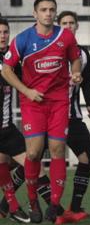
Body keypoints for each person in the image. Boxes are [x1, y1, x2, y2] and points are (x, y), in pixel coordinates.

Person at [1, 0, 82, 223]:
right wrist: (27, 91)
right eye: (43, 9)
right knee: (34, 153)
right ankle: (33, 202)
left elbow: (75, 59)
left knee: (57, 149)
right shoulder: (23, 40)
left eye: (51, 9)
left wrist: (76, 72)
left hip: (58, 102)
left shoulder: (65, 36)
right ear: (35, 14)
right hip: (33, 104)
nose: (48, 13)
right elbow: (6, 70)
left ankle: (54, 205)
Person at [56, 11, 90, 222]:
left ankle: (74, 207)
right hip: (48, 118)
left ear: (77, 26)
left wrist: (89, 104)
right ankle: (7, 204)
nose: (69, 26)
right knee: (29, 159)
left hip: (73, 117)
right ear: (59, 26)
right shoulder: (50, 50)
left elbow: (87, 80)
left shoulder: (83, 53)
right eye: (64, 23)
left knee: (86, 158)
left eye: (72, 23)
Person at [0, 18, 31, 223]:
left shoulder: (12, 59)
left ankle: (9, 206)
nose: (3, 36)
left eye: (5, 32)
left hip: (7, 127)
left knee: (31, 164)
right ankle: (12, 206)